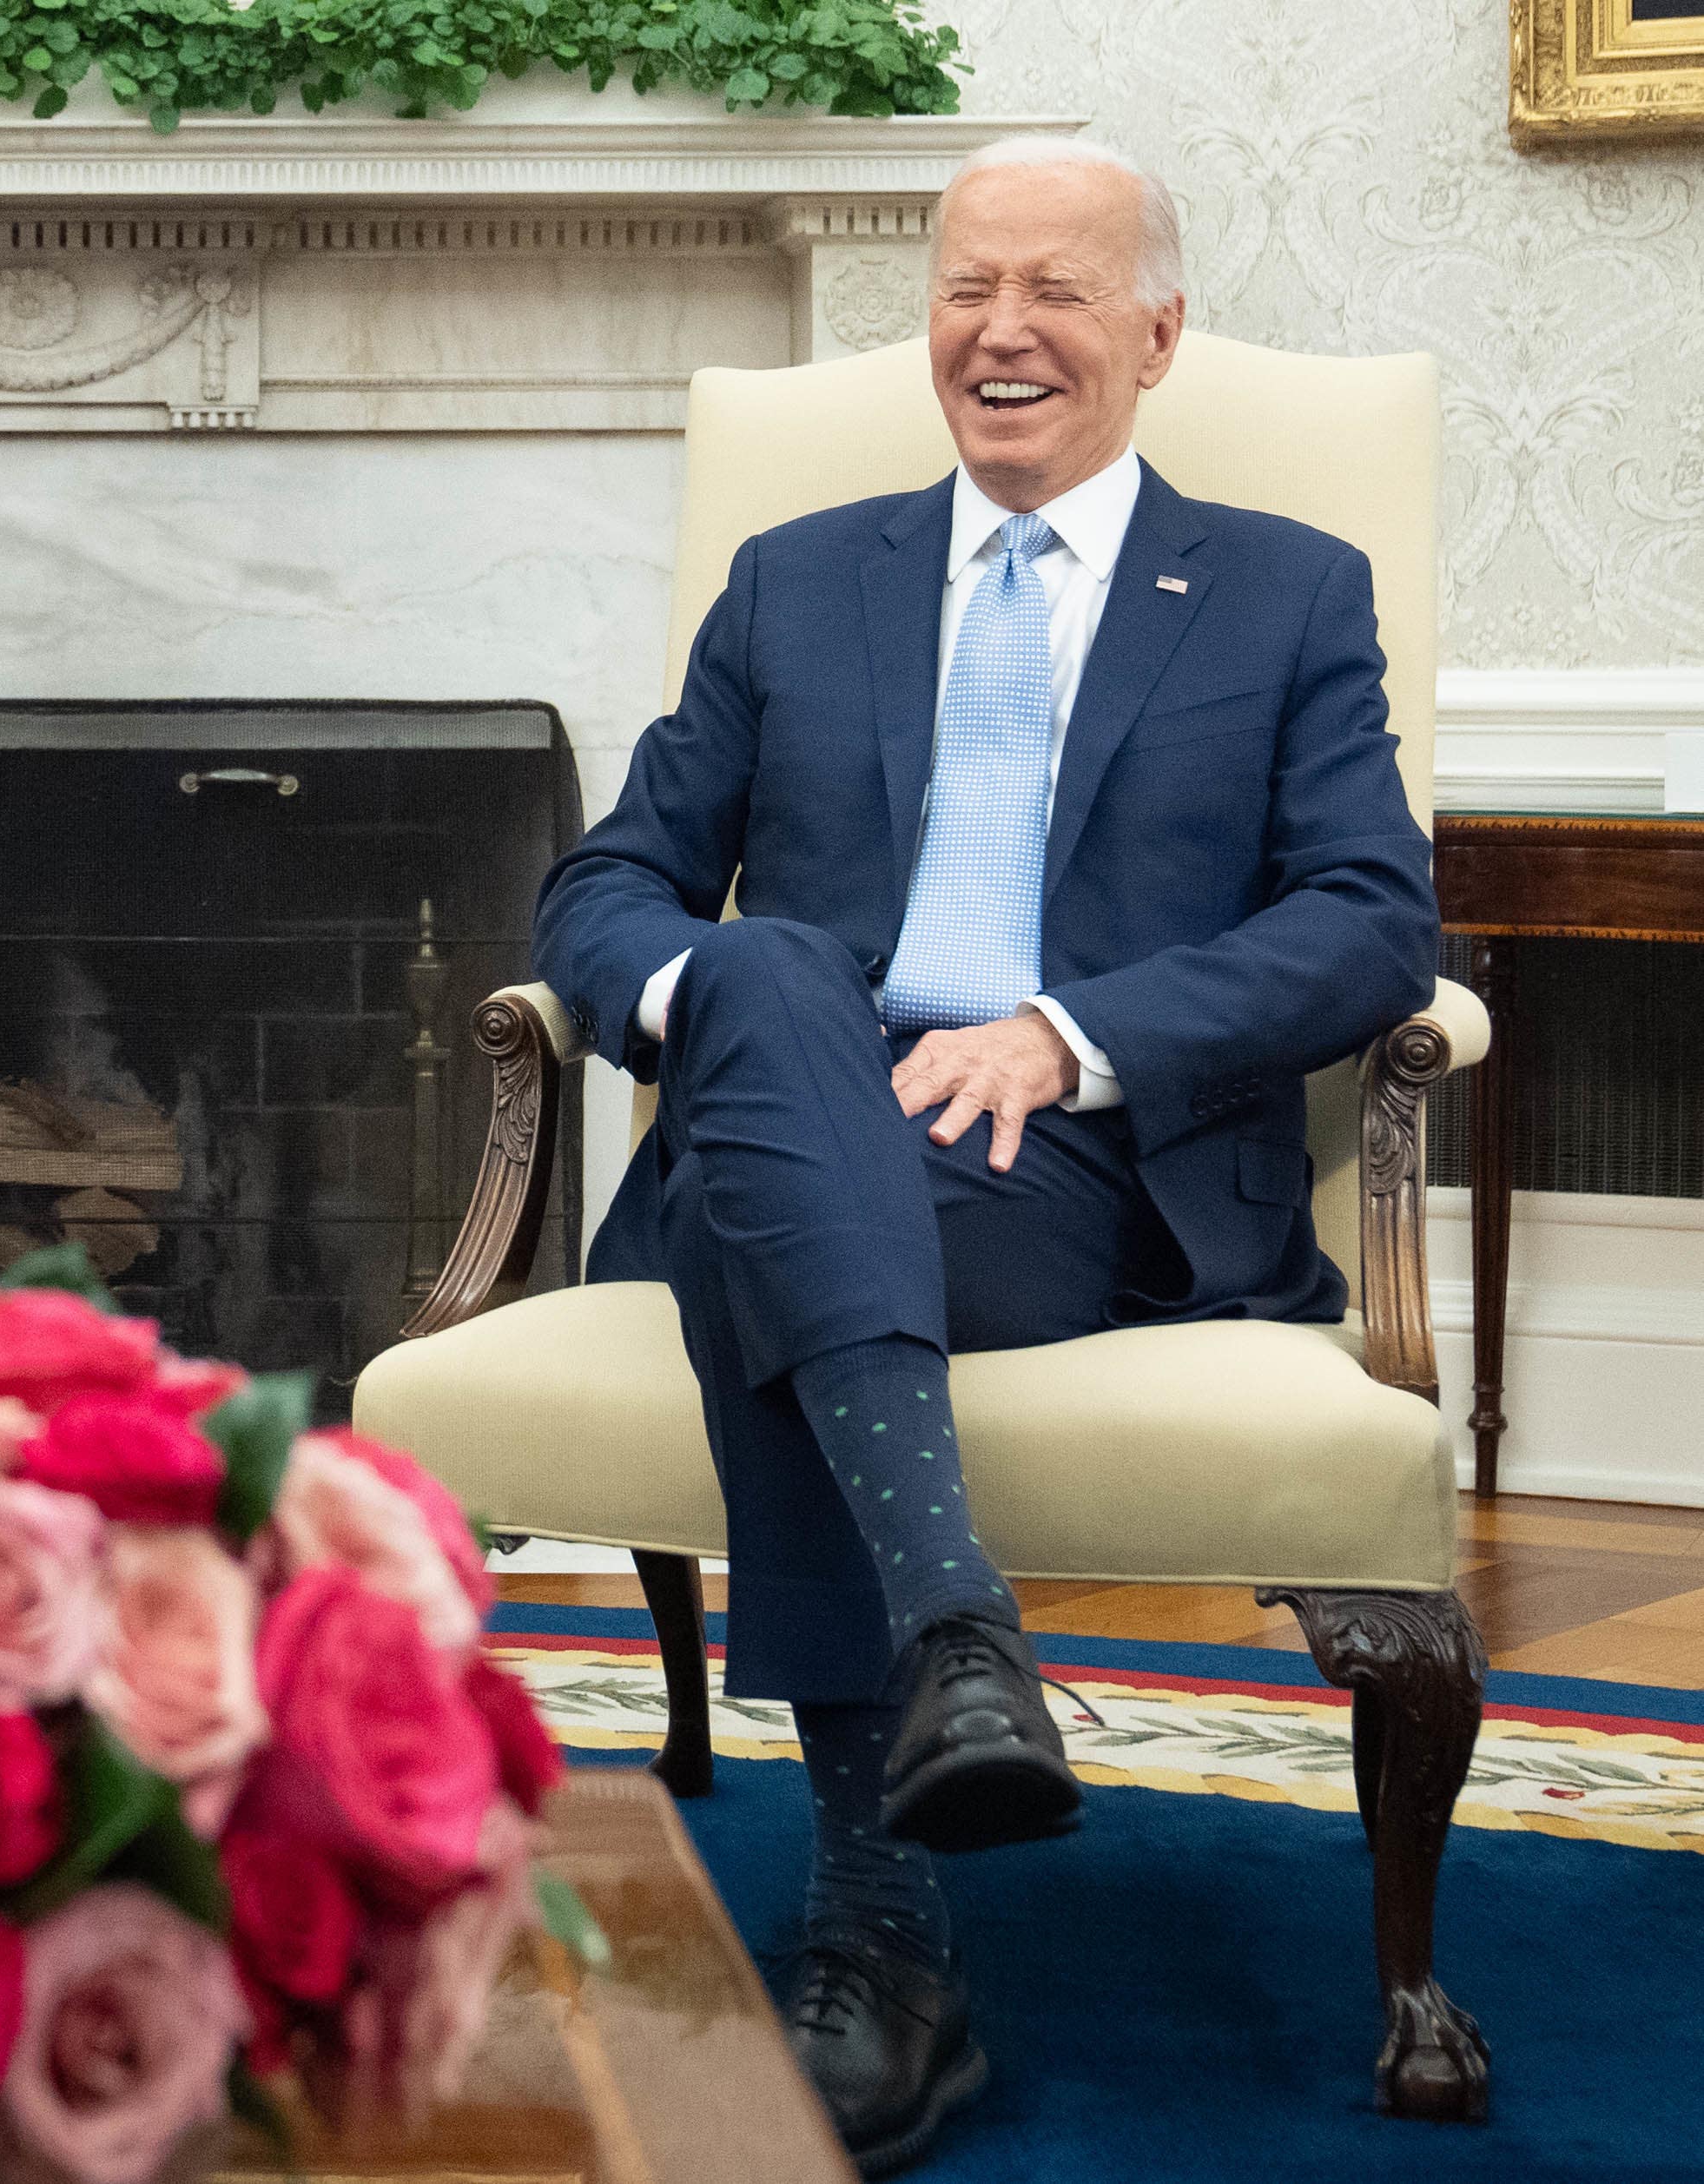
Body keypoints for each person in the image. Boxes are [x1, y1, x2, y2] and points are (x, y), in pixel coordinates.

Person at [532, 136, 1436, 2174]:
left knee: (779, 1217)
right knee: (759, 980)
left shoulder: (1284, 590)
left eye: (1052, 290)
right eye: (961, 289)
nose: (998, 331)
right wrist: (721, 1010)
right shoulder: (798, 579)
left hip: (1076, 1176)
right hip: (787, 1122)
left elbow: (1371, 915)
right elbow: (607, 888)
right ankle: (956, 1640)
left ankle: (879, 1919)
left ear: (1155, 332)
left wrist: (1066, 1036)